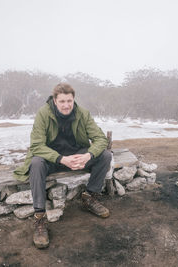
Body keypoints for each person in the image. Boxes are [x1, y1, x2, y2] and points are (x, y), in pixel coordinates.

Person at [13, 83, 112, 249]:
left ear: (73, 99)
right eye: (62, 101)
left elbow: (101, 139)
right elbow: (36, 145)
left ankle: (89, 197)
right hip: (53, 159)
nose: (66, 105)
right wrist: (61, 159)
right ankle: (39, 217)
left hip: (76, 157)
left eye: (69, 101)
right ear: (55, 100)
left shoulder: (82, 114)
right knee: (36, 163)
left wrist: (88, 155)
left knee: (105, 155)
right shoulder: (43, 114)